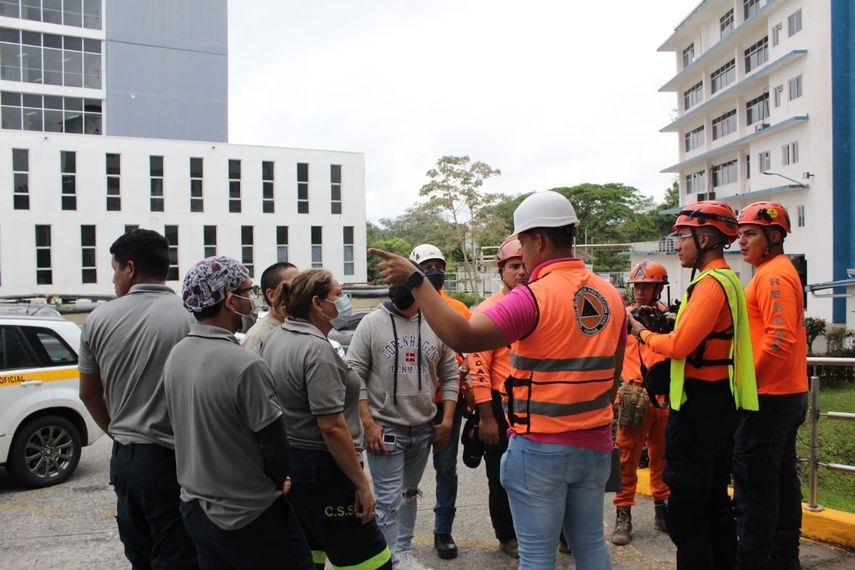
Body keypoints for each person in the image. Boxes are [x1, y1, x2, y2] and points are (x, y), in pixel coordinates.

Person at [371, 190, 626, 570]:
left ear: (538, 240)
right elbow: (613, 373)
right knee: (590, 545)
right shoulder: (611, 295)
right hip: (595, 442)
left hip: (541, 446)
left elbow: (463, 337)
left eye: (522, 243)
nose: (522, 256)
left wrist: (417, 280)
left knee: (537, 556)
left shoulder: (532, 297)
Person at [627, 200, 758, 570]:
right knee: (714, 503)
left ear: (704, 239)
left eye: (682, 237)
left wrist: (643, 333)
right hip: (716, 404)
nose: (678, 245)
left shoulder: (712, 284)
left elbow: (680, 345)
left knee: (688, 509)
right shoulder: (725, 280)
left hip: (701, 410)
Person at [163, 256, 313, 569]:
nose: (252, 299)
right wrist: (276, 484)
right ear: (231, 301)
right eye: (248, 291)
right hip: (250, 514)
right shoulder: (245, 365)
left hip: (196, 508)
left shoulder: (178, 354)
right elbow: (274, 445)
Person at [78, 229, 197, 569]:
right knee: (179, 552)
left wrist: (118, 432)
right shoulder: (191, 315)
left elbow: (88, 392)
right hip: (180, 461)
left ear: (129, 268)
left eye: (114, 268)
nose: (114, 277)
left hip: (128, 459)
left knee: (139, 552)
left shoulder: (98, 318)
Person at [262, 269, 391, 570]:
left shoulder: (278, 337)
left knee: (311, 553)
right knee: (371, 560)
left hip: (293, 464)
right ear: (317, 304)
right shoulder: (316, 350)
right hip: (324, 468)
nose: (344, 301)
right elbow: (332, 427)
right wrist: (361, 485)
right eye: (338, 294)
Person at [348, 282, 459, 570]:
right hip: (385, 429)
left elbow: (450, 374)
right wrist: (368, 423)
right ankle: (388, 559)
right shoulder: (371, 324)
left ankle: (403, 552)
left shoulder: (435, 323)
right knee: (387, 500)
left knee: (409, 492)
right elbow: (354, 376)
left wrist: (446, 420)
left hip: (423, 428)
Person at [733, 202, 808, 570]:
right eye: (740, 234)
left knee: (755, 489)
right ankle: (782, 559)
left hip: (770, 398)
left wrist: (748, 388)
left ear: (774, 236)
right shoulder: (772, 271)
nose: (741, 241)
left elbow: (779, 339)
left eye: (750, 234)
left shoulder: (773, 276)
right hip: (784, 395)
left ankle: (755, 561)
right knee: (780, 482)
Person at [408, 243, 471, 560]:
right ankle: (398, 532)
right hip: (413, 406)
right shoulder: (408, 308)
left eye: (439, 265)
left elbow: (469, 353)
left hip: (448, 403)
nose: (435, 271)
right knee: (406, 475)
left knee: (446, 470)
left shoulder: (458, 309)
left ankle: (442, 531)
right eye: (427, 266)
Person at [466, 237, 528, 558]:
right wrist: (487, 417)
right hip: (499, 405)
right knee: (501, 475)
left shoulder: (538, 302)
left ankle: (552, 531)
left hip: (535, 405)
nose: (521, 271)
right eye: (514, 266)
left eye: (525, 265)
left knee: (540, 473)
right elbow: (478, 368)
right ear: (501, 270)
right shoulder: (490, 311)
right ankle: (507, 536)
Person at [612, 260, 672, 546]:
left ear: (659, 288)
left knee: (663, 456)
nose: (640, 292)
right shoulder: (622, 318)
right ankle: (623, 513)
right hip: (632, 395)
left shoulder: (670, 318)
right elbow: (610, 355)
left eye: (647, 286)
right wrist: (615, 394)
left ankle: (662, 509)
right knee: (627, 458)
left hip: (663, 399)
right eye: (637, 286)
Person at [242, 261, 299, 352]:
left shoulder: (298, 327)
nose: (300, 292)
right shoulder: (257, 337)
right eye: (292, 287)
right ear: (271, 295)